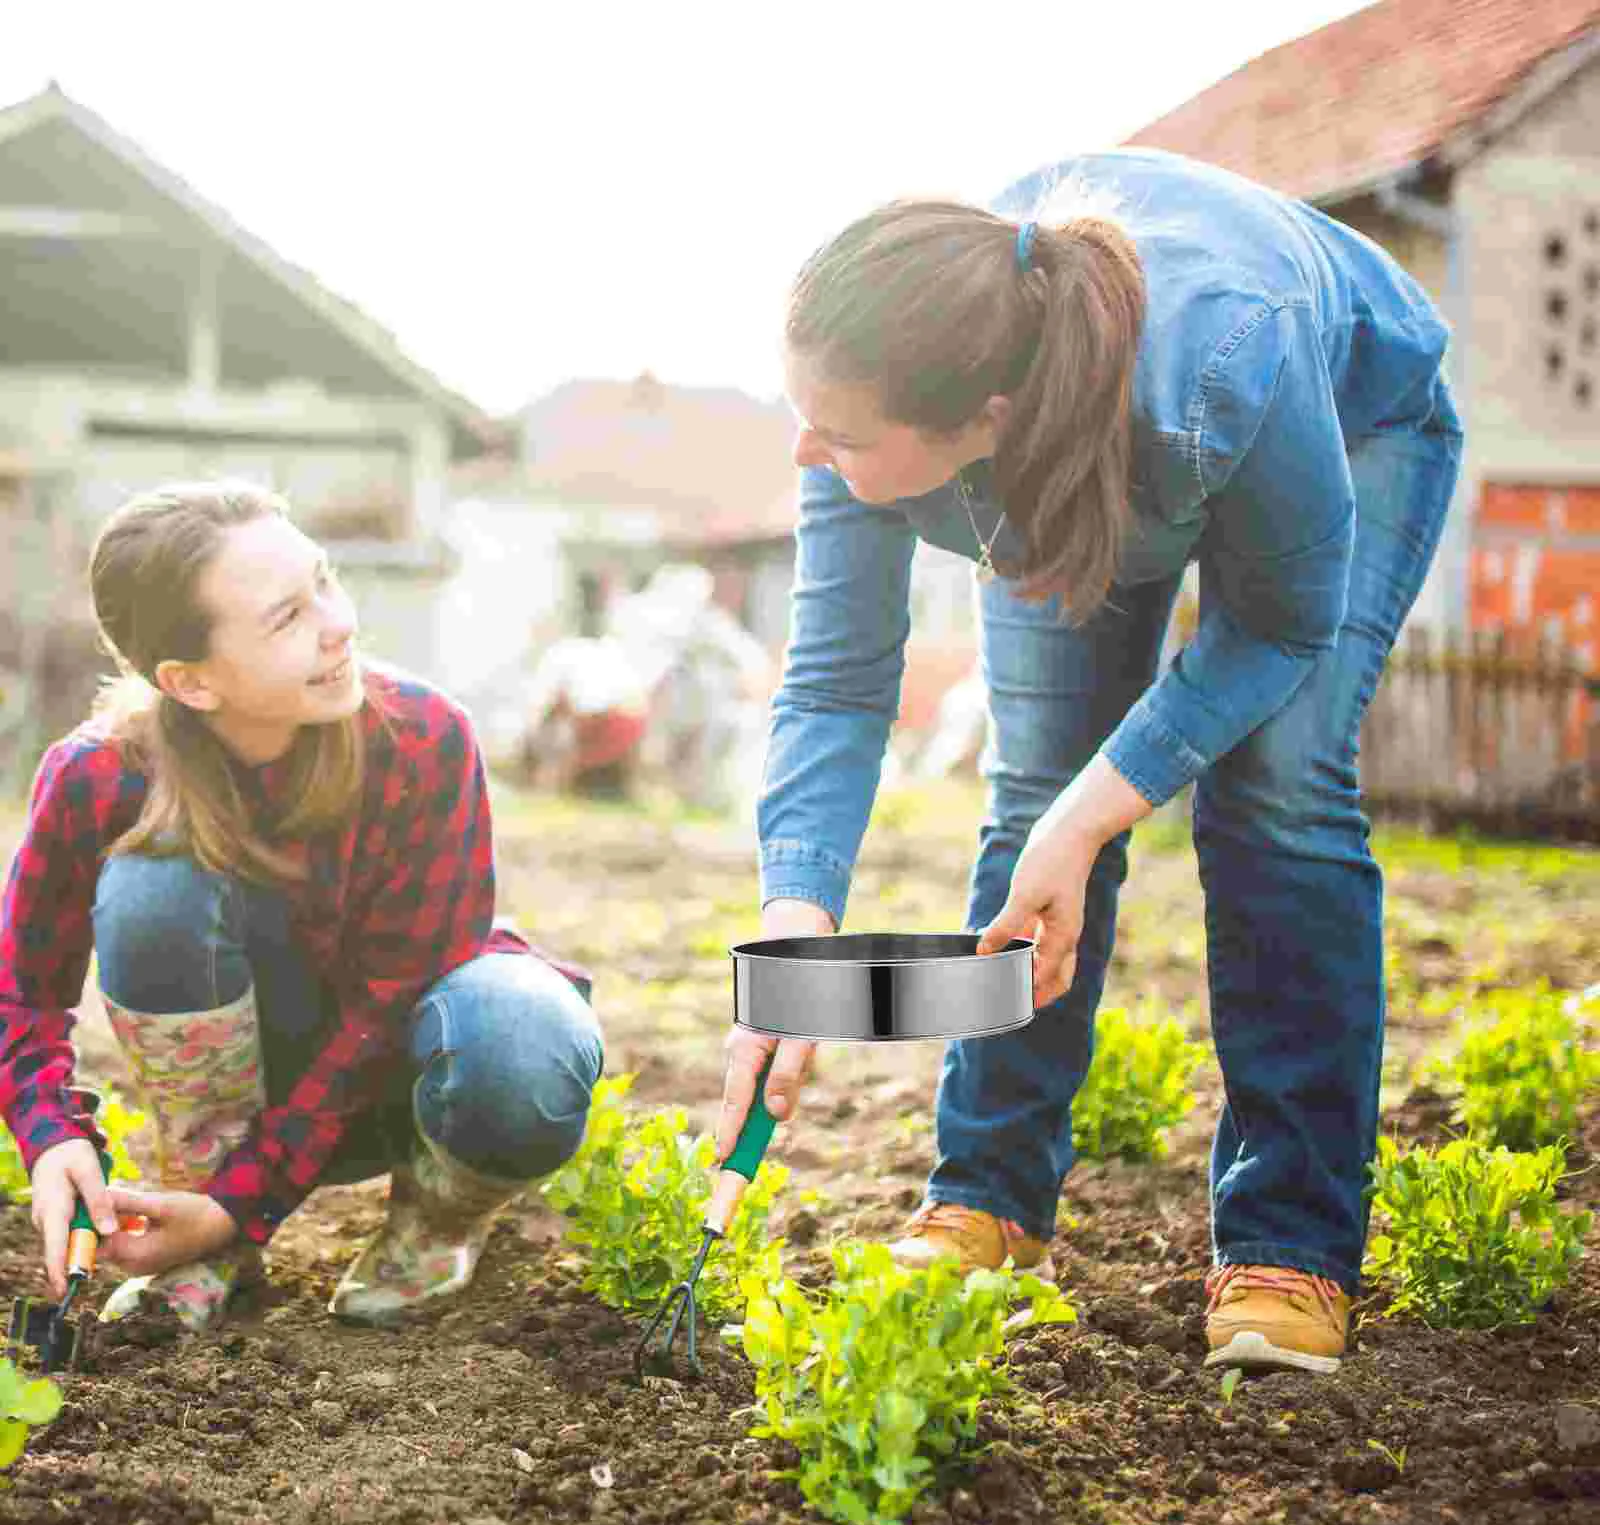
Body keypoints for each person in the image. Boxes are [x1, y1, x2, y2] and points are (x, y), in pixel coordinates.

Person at [715, 149, 1463, 1375]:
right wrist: (793, 938)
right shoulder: (873, 402)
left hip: (1350, 415)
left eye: (837, 432)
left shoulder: (1227, 356)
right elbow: (837, 684)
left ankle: (1289, 1241)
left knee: (1275, 793)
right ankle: (991, 1197)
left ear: (982, 423)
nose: (805, 449)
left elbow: (1277, 627)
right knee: (1032, 787)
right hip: (1075, 438)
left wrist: (1093, 819)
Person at [0, 481, 604, 1332]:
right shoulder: (99, 778)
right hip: (240, 1091)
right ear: (190, 681)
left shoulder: (423, 741)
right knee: (150, 888)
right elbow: (21, 992)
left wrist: (244, 1202)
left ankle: (432, 1227)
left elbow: (388, 1005)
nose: (339, 622)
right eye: (287, 618)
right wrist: (53, 1134)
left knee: (521, 1041)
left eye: (324, 580)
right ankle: (213, 1244)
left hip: (405, 1077)